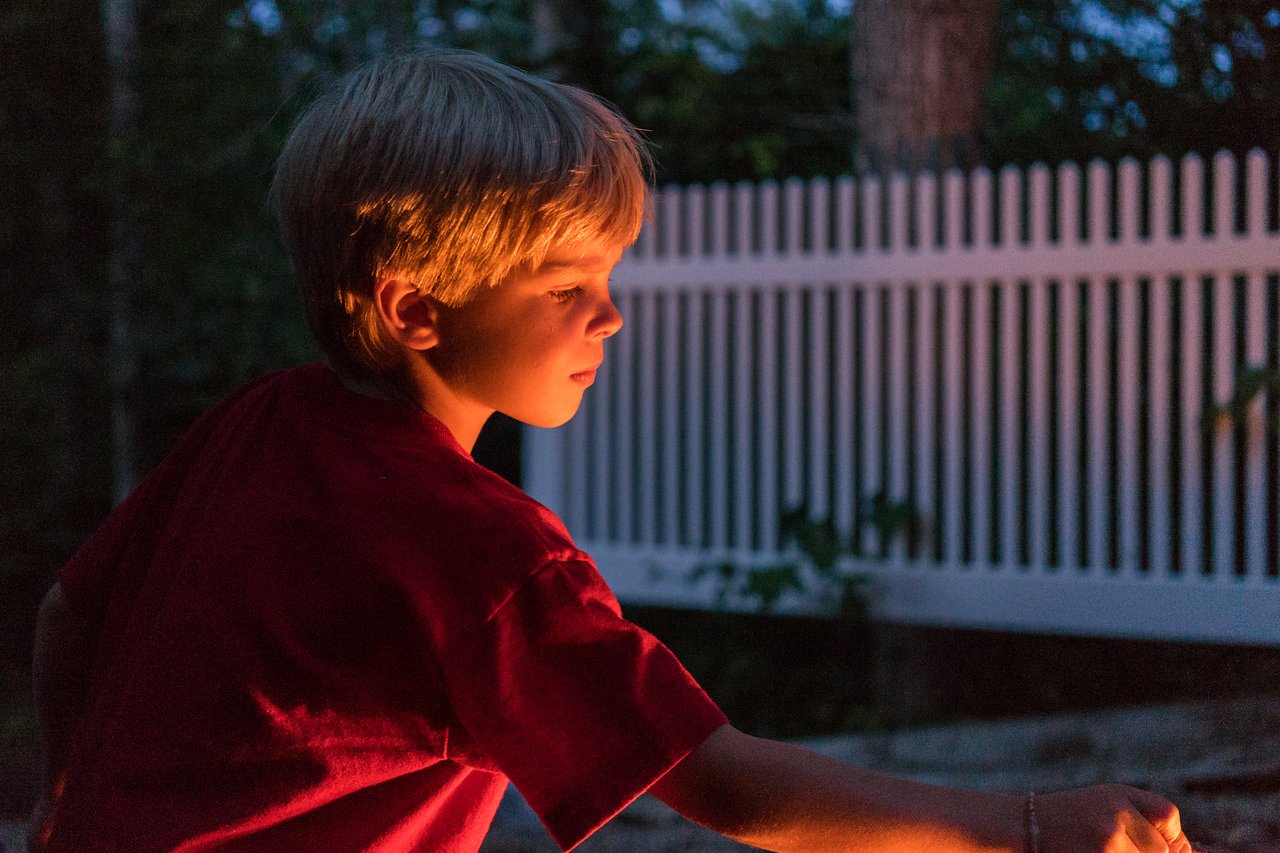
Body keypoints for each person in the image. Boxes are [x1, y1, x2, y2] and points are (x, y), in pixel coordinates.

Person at [31, 48, 1197, 853]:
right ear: (413, 309)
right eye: (567, 284)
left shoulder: (255, 424)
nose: (611, 315)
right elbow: (723, 779)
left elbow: (66, 617)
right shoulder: (481, 555)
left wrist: (64, 806)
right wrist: (1034, 828)